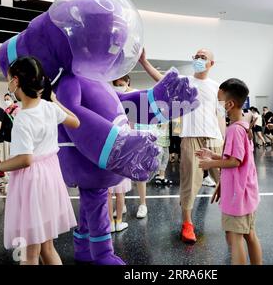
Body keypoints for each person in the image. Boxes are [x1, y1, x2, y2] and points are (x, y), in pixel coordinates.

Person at [0, 56, 80, 264]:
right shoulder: (49, 107)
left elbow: (25, 159)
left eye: (9, 79)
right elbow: (75, 121)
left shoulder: (23, 118)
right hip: (51, 178)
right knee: (47, 247)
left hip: (32, 184)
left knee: (30, 252)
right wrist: (55, 101)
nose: (8, 83)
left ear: (16, 81)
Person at [140, 48, 224, 243]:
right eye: (197, 56)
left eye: (204, 57)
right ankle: (187, 224)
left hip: (214, 139)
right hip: (191, 138)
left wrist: (224, 141)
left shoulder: (217, 87)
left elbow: (220, 115)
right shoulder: (185, 82)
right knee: (189, 183)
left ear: (212, 63)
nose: (199, 59)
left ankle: (234, 216)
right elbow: (161, 81)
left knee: (226, 181)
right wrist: (144, 62)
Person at [197, 78, 262, 265]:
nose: (216, 106)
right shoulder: (243, 127)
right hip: (244, 193)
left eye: (219, 101)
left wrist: (210, 164)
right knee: (249, 235)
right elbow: (237, 159)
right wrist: (214, 156)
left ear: (230, 104)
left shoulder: (234, 130)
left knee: (234, 239)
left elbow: (235, 161)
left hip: (237, 196)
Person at [112, 75, 148, 219]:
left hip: (137, 136)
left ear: (128, 82)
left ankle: (143, 204)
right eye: (116, 84)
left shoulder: (137, 95)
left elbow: (144, 117)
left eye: (120, 84)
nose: (118, 86)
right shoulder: (115, 96)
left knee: (139, 171)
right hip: (121, 137)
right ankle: (122, 204)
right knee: (121, 173)